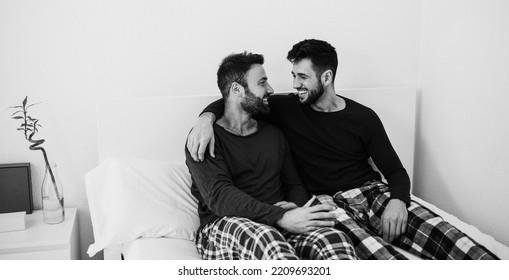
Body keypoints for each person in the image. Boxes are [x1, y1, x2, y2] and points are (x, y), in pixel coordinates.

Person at [186, 40, 499, 260]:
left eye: (301, 77)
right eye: (291, 76)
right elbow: (235, 106)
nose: (289, 85)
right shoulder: (273, 112)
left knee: (451, 240)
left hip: (363, 193)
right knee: (376, 256)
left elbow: (393, 171)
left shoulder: (360, 118)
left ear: (327, 77)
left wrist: (399, 201)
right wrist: (205, 117)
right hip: (311, 205)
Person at [185, 51, 357, 260]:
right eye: (262, 82)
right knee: (267, 239)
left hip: (276, 221)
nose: (270, 89)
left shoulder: (273, 134)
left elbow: (293, 185)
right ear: (237, 90)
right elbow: (219, 197)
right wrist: (280, 216)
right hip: (224, 224)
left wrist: (293, 207)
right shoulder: (203, 139)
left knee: (334, 239)